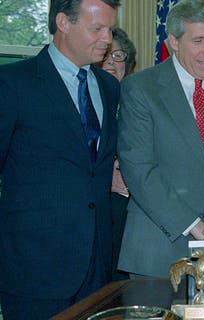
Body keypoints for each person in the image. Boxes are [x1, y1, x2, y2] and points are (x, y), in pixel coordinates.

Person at [116, 0, 204, 278]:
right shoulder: (141, 88)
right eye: (198, 41)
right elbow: (139, 170)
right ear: (174, 41)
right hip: (157, 254)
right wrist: (195, 226)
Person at [0, 0, 120, 318]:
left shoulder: (109, 87)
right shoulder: (12, 83)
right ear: (63, 23)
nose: (107, 39)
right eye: (97, 28)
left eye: (110, 29)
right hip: (33, 272)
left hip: (97, 271)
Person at [96, 26, 137, 281]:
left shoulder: (139, 100)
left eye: (118, 56)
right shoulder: (85, 100)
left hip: (134, 209)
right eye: (106, 55)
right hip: (100, 205)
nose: (111, 62)